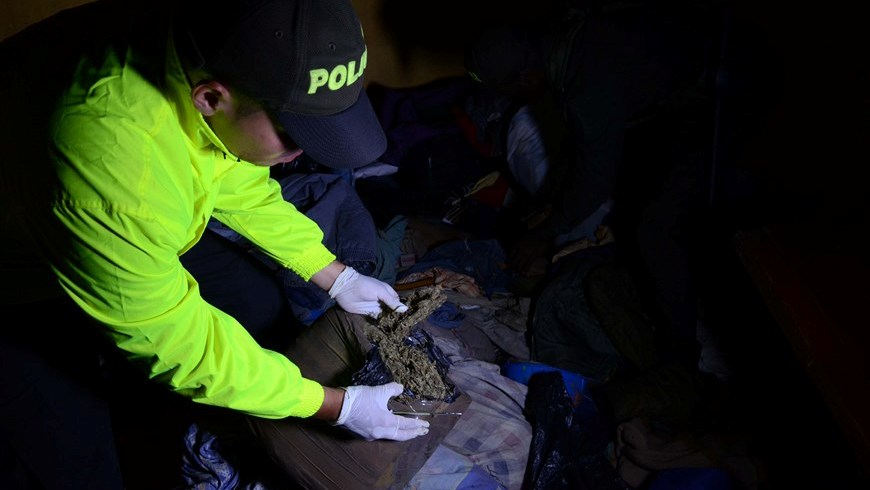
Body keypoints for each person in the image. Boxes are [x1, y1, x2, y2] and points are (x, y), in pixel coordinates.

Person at [0, 0, 430, 487]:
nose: (306, 152)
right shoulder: (118, 175)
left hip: (117, 214)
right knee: (73, 457)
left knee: (258, 301)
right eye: (293, 134)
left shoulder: (216, 38)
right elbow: (175, 341)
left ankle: (220, 407)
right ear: (210, 98)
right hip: (20, 273)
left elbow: (235, 177)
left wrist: (334, 272)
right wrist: (331, 405)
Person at [464, 0, 716, 368]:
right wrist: (547, 207)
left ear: (526, 78)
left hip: (716, 88)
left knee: (654, 228)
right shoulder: (553, 43)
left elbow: (595, 176)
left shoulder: (587, 81)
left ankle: (682, 357)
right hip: (669, 89)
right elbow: (581, 145)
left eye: (512, 92)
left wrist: (546, 233)